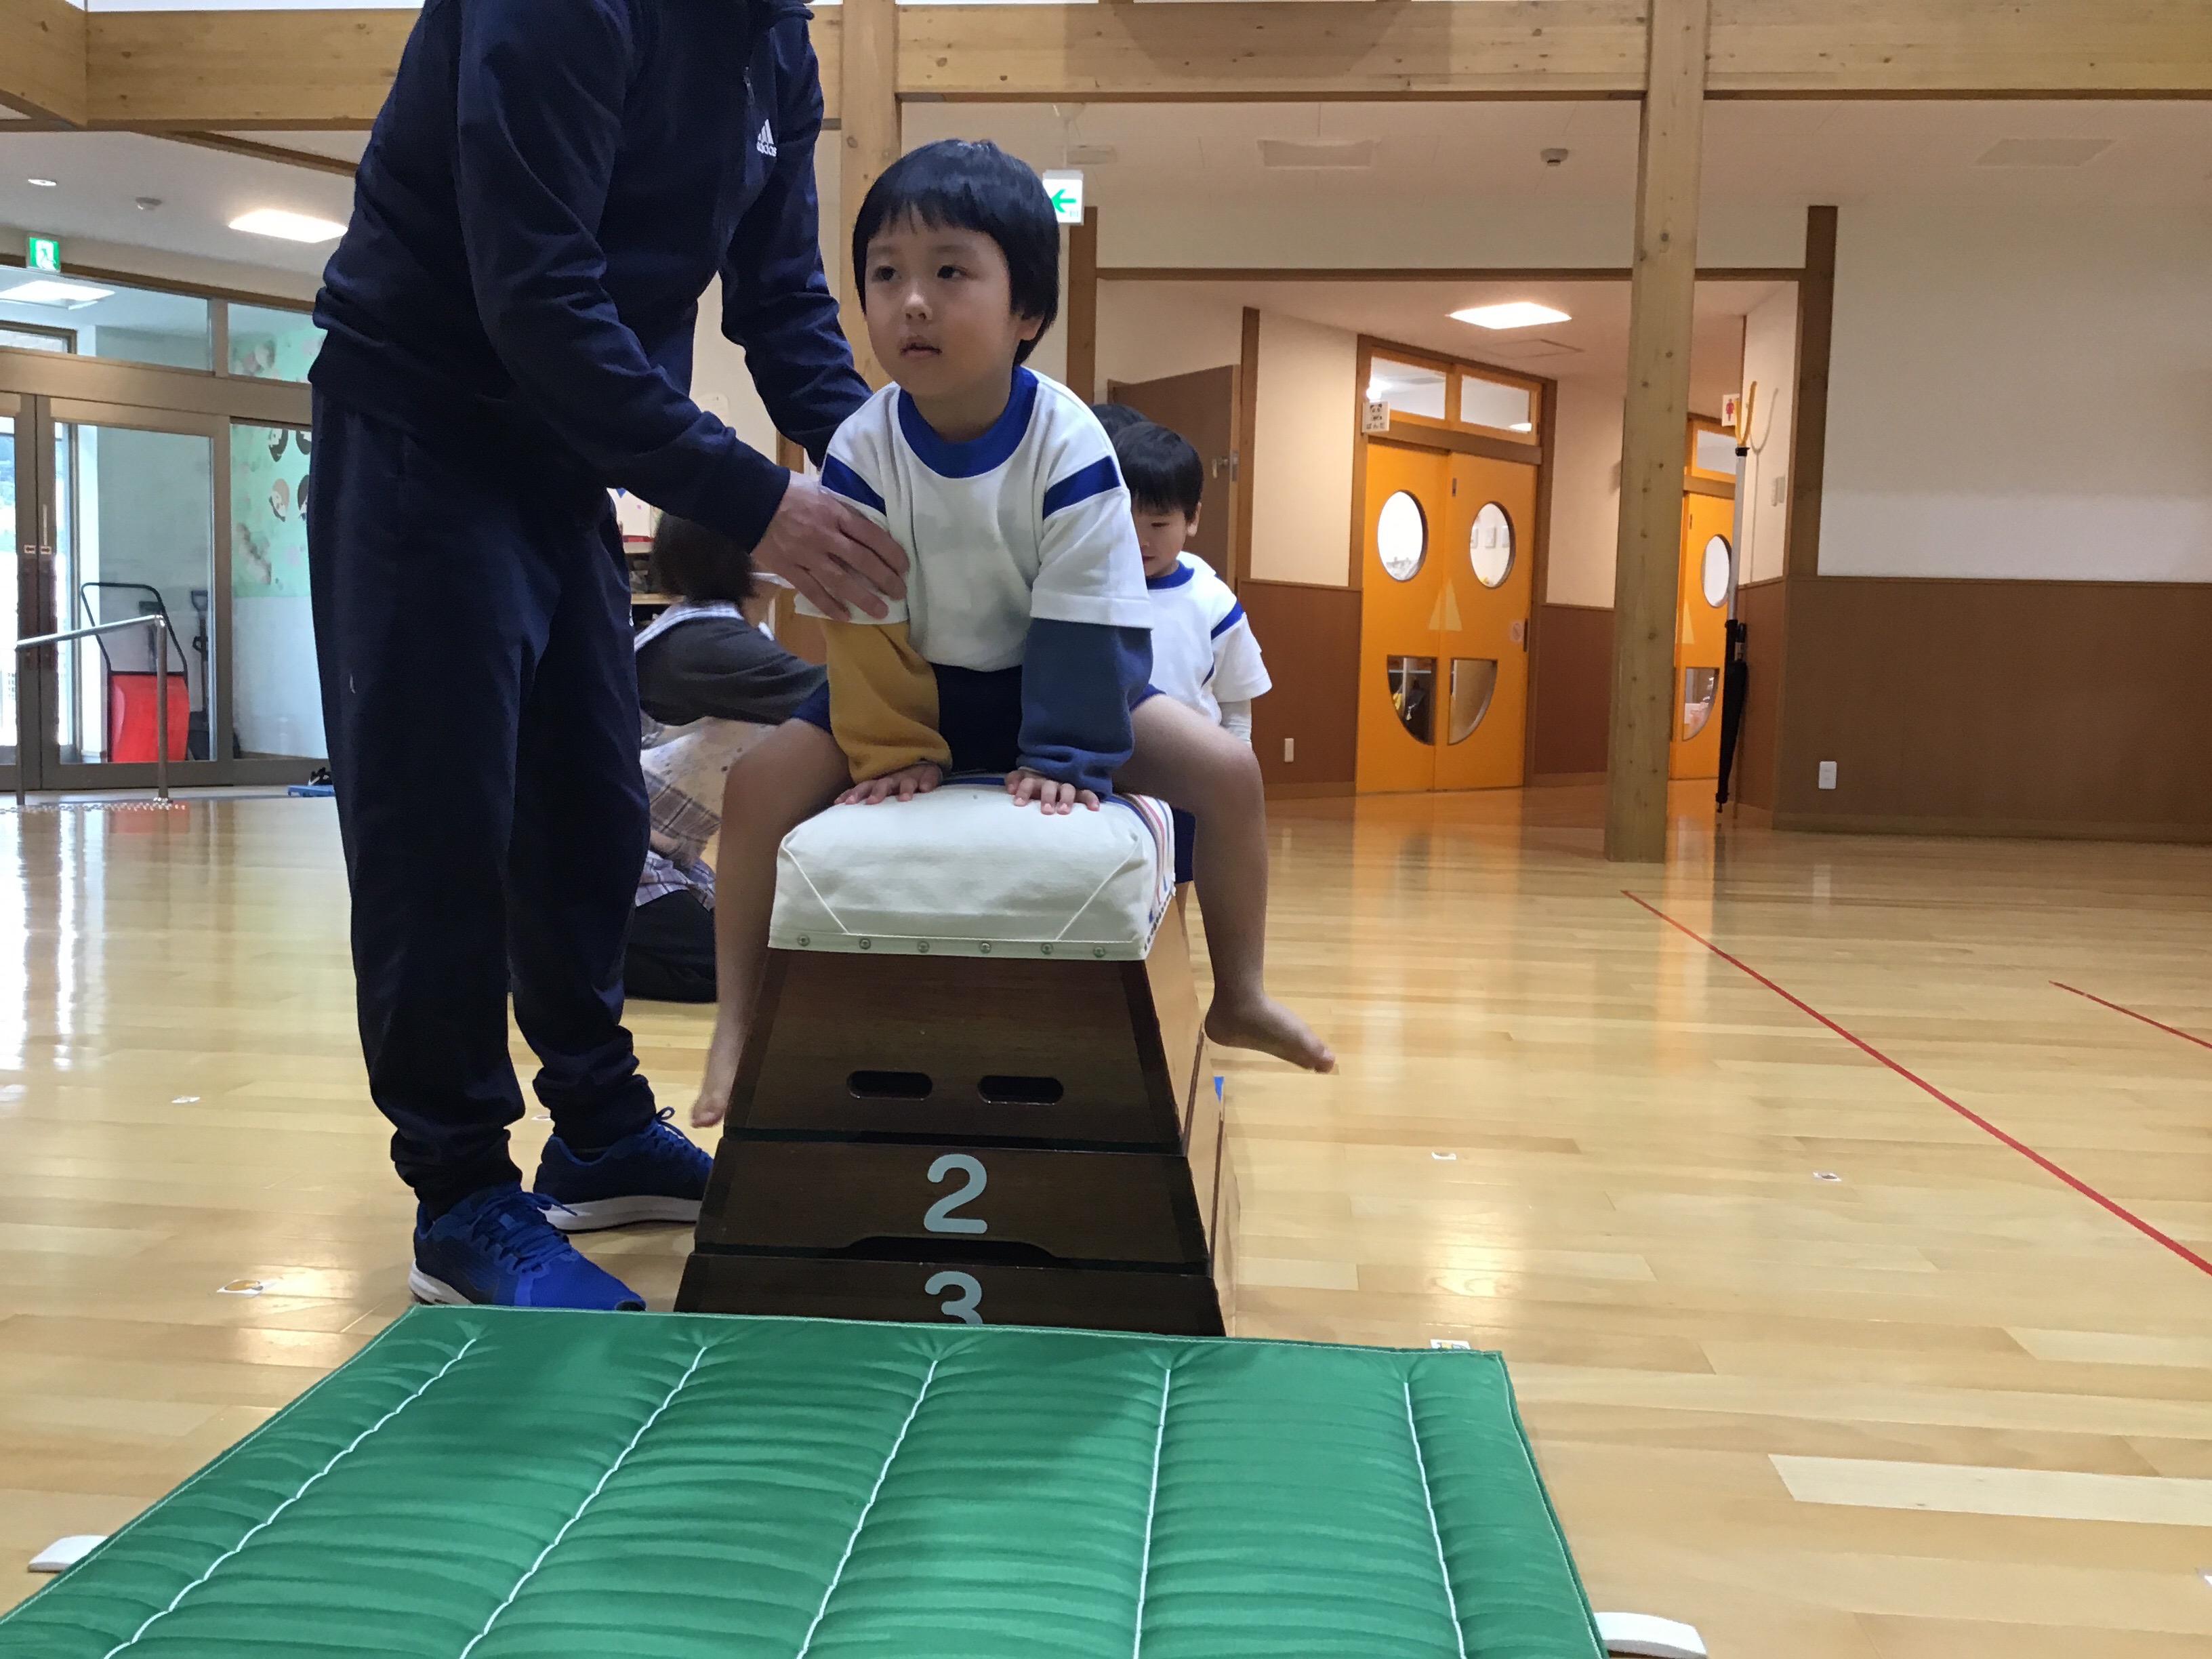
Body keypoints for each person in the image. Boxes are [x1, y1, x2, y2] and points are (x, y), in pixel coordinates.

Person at [304, 0, 907, 1310]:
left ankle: (597, 1127)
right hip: (423, 427)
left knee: (590, 806)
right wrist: (758, 503)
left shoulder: (776, 39)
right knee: (438, 826)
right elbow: (537, 296)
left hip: (565, 460)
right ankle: (460, 1189)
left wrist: (903, 478)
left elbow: (783, 304)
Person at [691, 139, 1334, 1130]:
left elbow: (1087, 618)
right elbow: (863, 616)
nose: (912, 302)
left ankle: (1240, 992)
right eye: (886, 275)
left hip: (1057, 679)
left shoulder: (1070, 443)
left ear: (1026, 310)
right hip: (913, 681)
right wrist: (893, 748)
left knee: (1229, 773)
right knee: (756, 787)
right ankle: (737, 1025)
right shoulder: (861, 446)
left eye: (950, 273)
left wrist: (1067, 755)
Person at [629, 516, 826, 1003]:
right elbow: (832, 696)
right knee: (721, 970)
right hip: (604, 851)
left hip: (662, 850)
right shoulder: (706, 644)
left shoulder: (731, 632)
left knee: (755, 951)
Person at [1114, 419, 1272, 885]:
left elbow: (1235, 706)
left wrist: (1231, 778)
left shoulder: (1211, 601)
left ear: (1193, 518)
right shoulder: (1093, 586)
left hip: (1184, 779)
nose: (1140, 540)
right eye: (1124, 520)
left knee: (1174, 897)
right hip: (1110, 779)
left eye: (1159, 524)